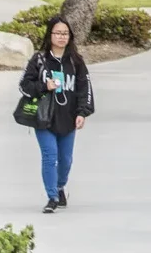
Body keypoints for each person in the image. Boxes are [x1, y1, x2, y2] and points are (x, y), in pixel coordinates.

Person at [19, 16, 95, 213]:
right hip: (44, 118)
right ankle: (52, 197)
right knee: (49, 156)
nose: (61, 37)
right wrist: (44, 85)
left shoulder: (76, 61)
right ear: (50, 35)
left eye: (65, 33)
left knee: (66, 159)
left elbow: (84, 88)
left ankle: (60, 185)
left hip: (68, 118)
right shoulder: (39, 59)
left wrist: (82, 112)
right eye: (57, 33)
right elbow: (24, 85)